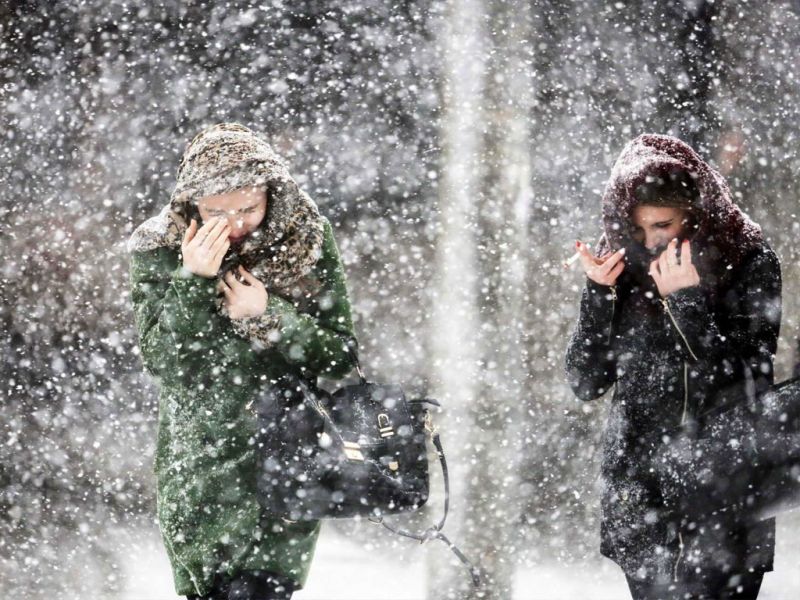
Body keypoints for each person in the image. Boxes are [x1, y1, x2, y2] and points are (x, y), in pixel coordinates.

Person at [127, 122, 357, 599]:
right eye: (215, 212)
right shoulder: (159, 247)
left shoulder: (306, 239)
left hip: (285, 462)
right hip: (201, 466)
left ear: (272, 195)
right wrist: (192, 280)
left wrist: (269, 316)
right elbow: (165, 362)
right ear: (191, 204)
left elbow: (339, 358)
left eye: (248, 209)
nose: (233, 225)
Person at [564, 133, 781, 599]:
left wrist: (686, 302)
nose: (651, 242)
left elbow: (747, 380)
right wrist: (599, 295)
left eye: (663, 225)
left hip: (724, 494)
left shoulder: (749, 260)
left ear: (696, 215)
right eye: (639, 229)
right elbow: (585, 382)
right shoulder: (622, 266)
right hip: (640, 501)